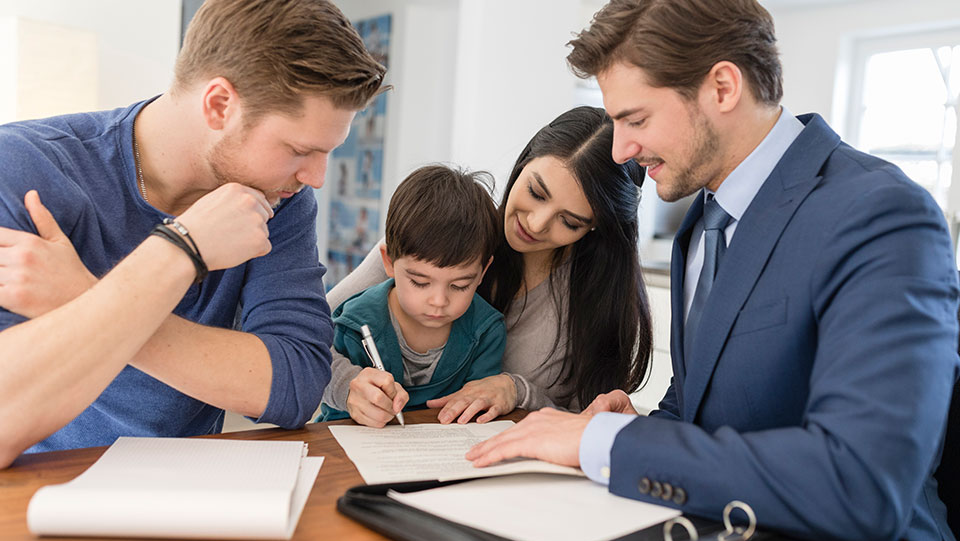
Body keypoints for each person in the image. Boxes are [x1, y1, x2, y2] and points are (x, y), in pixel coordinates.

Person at [466, 1, 960, 540]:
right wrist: (627, 428)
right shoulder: (703, 222)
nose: (621, 151)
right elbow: (695, 408)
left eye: (635, 119)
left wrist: (605, 445)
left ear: (723, 88)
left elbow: (862, 484)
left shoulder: (880, 214)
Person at [0, 0, 386, 468]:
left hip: (193, 486)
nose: (318, 177)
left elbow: (299, 383)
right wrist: (184, 250)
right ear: (219, 104)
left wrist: (87, 297)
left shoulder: (280, 199)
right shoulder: (23, 169)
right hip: (36, 493)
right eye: (298, 149)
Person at [326, 105, 652, 423]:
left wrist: (519, 391)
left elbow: (593, 424)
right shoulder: (435, 239)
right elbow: (296, 343)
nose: (537, 224)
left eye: (569, 221)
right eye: (536, 193)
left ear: (595, 226)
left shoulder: (600, 302)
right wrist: (345, 384)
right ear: (523, 165)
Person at [318, 165, 505, 426]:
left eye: (460, 285)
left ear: (483, 272)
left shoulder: (487, 331)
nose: (439, 301)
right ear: (389, 262)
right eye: (419, 282)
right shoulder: (354, 323)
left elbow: (478, 415)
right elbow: (329, 404)